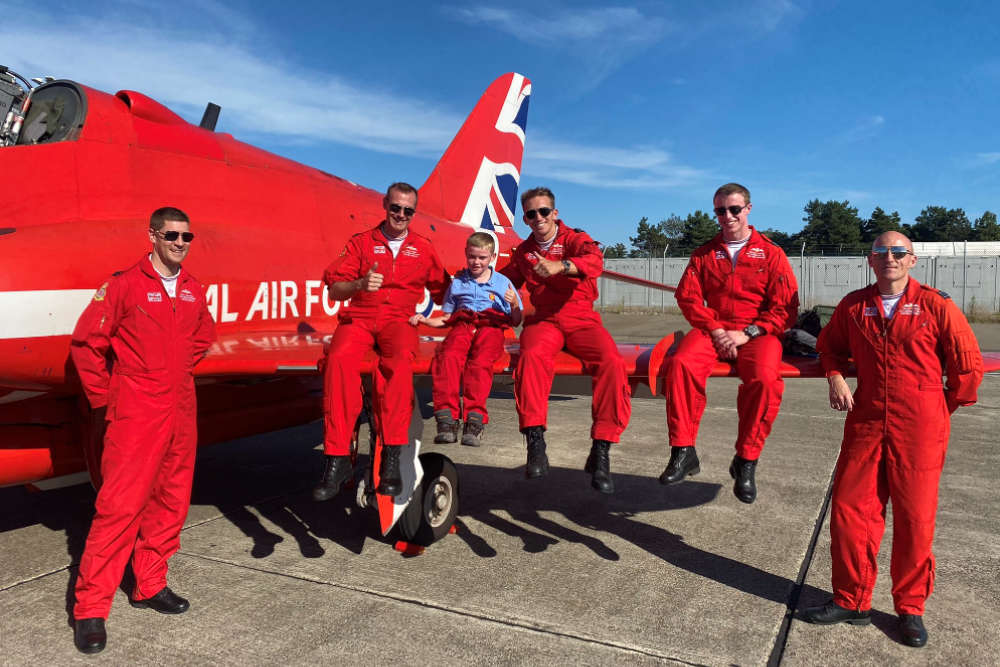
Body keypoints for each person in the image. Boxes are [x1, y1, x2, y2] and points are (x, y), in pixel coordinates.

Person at [804, 231, 984, 648]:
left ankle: (910, 608)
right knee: (851, 511)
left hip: (919, 425)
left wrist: (936, 409)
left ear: (912, 260)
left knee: (914, 519)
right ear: (870, 261)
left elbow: (968, 367)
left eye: (898, 252)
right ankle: (852, 600)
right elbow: (828, 349)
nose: (890, 258)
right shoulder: (853, 306)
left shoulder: (936, 305)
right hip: (866, 420)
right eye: (881, 252)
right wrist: (834, 377)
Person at [69, 207, 216, 654]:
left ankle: (150, 584)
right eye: (171, 234)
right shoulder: (123, 286)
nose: (179, 242)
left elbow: (204, 335)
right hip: (136, 410)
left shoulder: (193, 289)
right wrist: (105, 400)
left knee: (171, 502)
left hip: (181, 408)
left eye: (186, 235)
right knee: (119, 507)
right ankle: (90, 610)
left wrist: (174, 374)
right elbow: (86, 345)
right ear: (151, 235)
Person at [659, 183, 798, 503]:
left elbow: (785, 308)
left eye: (734, 209)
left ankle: (747, 460)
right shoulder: (705, 253)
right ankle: (683, 450)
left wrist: (748, 332)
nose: (728, 216)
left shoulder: (772, 253)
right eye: (720, 210)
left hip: (757, 333)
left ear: (748, 209)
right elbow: (688, 297)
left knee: (764, 379)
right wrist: (717, 330)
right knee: (680, 364)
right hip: (713, 328)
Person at [313, 182, 450, 501]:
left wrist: (464, 314)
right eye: (395, 207)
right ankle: (336, 459)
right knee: (337, 361)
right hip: (360, 317)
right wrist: (360, 284)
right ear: (385, 205)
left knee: (399, 364)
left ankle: (391, 456)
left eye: (408, 210)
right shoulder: (361, 243)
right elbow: (334, 289)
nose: (400, 214)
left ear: (413, 213)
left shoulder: (423, 247)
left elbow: (447, 290)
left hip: (399, 320)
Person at [500, 186, 630, 494]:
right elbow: (504, 281)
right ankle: (535, 443)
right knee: (530, 358)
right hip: (544, 320)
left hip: (580, 318)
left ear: (554, 214)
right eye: (531, 214)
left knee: (611, 362)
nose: (538, 218)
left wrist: (562, 265)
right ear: (526, 219)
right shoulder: (524, 252)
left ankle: (601, 450)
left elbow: (594, 261)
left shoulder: (574, 239)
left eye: (543, 211)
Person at [411, 232, 522, 447]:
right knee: (448, 356)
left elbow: (515, 321)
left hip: (491, 326)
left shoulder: (503, 283)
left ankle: (475, 420)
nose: (476, 262)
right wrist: (425, 320)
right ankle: (446, 418)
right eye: (472, 257)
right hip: (463, 324)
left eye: (482, 257)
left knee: (480, 363)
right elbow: (447, 317)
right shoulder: (458, 282)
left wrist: (514, 305)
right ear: (466, 254)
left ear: (492, 257)